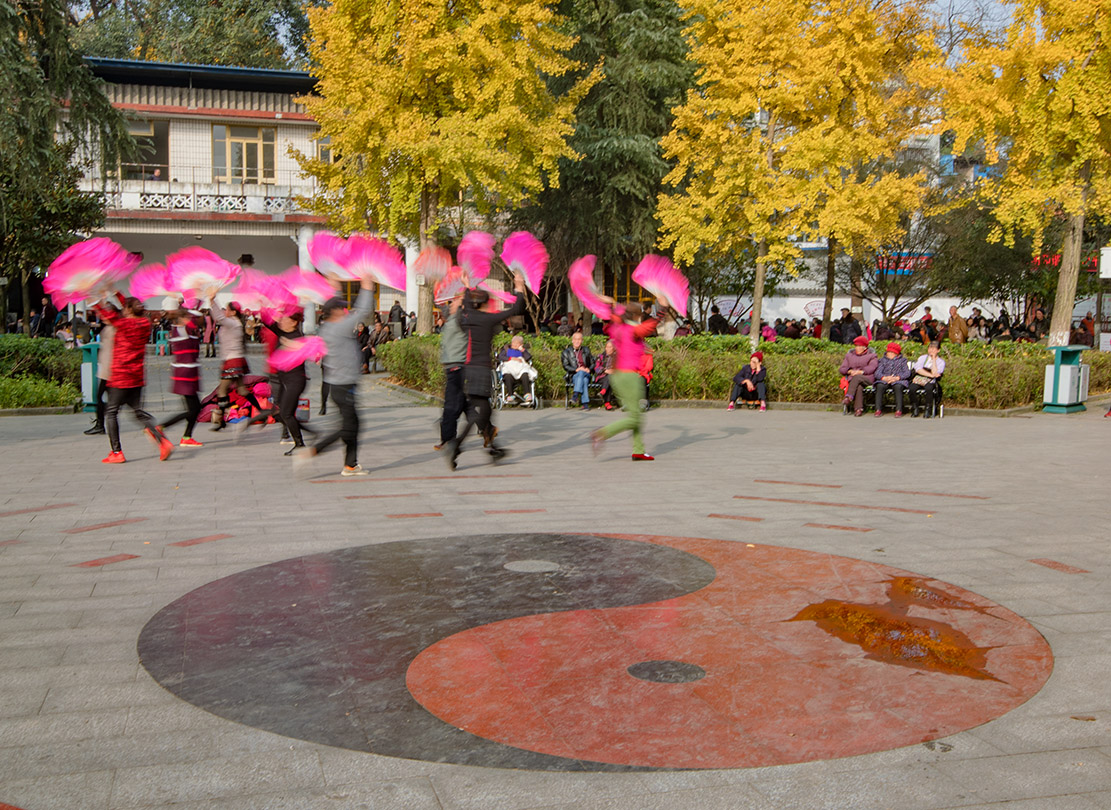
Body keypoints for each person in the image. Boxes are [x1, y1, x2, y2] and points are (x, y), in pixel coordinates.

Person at [445, 272, 527, 470]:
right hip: (482, 370)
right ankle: (457, 445)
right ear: (484, 304)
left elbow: (466, 302)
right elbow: (517, 308)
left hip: (468, 369)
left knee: (484, 411)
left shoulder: (466, 316)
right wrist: (519, 286)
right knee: (478, 413)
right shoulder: (489, 319)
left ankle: (494, 449)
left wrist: (466, 286)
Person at [296, 280, 374, 475]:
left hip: (337, 385)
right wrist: (367, 286)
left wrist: (334, 286)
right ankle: (314, 451)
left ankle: (350, 464)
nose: (345, 312)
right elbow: (363, 310)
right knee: (348, 428)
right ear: (336, 313)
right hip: (344, 385)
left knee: (352, 425)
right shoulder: (339, 327)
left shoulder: (327, 328)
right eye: (342, 309)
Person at [91, 292, 173, 463]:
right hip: (136, 376)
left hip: (120, 375)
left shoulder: (123, 324)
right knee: (138, 412)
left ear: (127, 309)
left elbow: (108, 314)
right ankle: (161, 439)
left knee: (111, 412)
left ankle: (116, 452)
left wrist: (94, 300)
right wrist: (115, 293)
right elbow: (129, 307)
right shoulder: (144, 323)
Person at [591, 299, 669, 461]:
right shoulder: (634, 331)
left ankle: (638, 450)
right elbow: (654, 323)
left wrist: (605, 300)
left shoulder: (617, 328)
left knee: (636, 413)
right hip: (630, 376)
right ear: (636, 315)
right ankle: (602, 433)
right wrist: (664, 307)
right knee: (635, 417)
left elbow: (611, 314)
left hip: (617, 377)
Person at [244, 309, 311, 454]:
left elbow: (306, 351)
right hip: (284, 380)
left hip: (295, 382)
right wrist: (263, 301)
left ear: (293, 322)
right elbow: (268, 322)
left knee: (286, 413)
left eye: (285, 318)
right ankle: (307, 435)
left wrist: (293, 346)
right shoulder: (284, 333)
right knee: (281, 412)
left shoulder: (297, 337)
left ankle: (300, 444)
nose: (282, 320)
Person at [206, 297, 264, 430]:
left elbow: (219, 318)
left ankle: (222, 421)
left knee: (222, 391)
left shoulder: (233, 323)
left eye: (227, 309)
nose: (225, 311)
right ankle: (261, 411)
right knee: (242, 390)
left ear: (232, 312)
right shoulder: (235, 322)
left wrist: (212, 301)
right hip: (235, 359)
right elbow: (219, 318)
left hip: (232, 360)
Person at [157, 307, 204, 447]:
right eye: (188, 318)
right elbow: (196, 318)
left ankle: (187, 436)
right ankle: (162, 426)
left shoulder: (186, 331)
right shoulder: (181, 330)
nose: (191, 321)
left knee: (195, 408)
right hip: (185, 375)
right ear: (183, 319)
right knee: (193, 409)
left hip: (189, 374)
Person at [436, 296, 466, 451]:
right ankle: (487, 429)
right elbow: (441, 305)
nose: (451, 303)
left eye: (454, 301)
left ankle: (447, 438)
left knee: (451, 404)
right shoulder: (451, 318)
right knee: (463, 404)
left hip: (457, 366)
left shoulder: (461, 320)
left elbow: (464, 309)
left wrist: (464, 295)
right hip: (450, 367)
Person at [839, 336, 878, 417]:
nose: (857, 348)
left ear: (865, 348)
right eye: (856, 346)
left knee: (857, 377)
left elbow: (872, 367)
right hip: (853, 379)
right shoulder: (849, 356)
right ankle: (858, 409)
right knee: (859, 386)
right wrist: (849, 371)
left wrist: (860, 372)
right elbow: (842, 368)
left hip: (867, 377)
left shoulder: (872, 356)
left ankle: (849, 397)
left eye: (860, 346)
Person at [873, 342, 912, 417]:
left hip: (898, 380)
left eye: (891, 352)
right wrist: (884, 378)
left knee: (898, 387)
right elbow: (877, 372)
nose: (889, 354)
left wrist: (897, 378)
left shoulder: (902, 361)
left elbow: (907, 373)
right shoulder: (882, 360)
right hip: (885, 379)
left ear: (896, 353)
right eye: (888, 352)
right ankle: (878, 409)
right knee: (880, 386)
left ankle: (898, 410)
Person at [908, 341, 945, 418]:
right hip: (920, 378)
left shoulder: (941, 362)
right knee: (912, 388)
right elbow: (918, 369)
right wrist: (930, 375)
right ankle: (915, 407)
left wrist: (934, 359)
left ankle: (928, 409)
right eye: (930, 348)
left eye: (934, 349)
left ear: (938, 350)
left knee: (929, 389)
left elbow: (936, 372)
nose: (931, 350)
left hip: (930, 381)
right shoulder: (922, 358)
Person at [561, 331, 595, 410]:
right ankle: (585, 404)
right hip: (574, 375)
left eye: (579, 339)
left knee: (583, 374)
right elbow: (565, 366)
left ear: (582, 341)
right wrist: (576, 369)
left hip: (586, 373)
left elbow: (593, 363)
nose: (577, 341)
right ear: (572, 340)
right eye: (575, 339)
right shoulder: (566, 352)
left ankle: (575, 395)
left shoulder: (586, 350)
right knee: (584, 380)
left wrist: (589, 369)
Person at [594, 339, 617, 410]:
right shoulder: (600, 356)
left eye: (611, 347)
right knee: (609, 379)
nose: (609, 349)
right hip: (601, 377)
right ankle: (607, 403)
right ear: (605, 348)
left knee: (610, 378)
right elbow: (597, 368)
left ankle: (603, 392)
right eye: (607, 347)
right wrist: (605, 370)